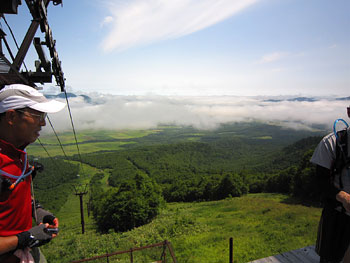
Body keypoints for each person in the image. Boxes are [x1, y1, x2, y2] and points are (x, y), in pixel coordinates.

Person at [0, 84, 65, 263]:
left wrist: (38, 212)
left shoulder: (18, 153)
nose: (43, 123)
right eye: (38, 116)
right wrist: (25, 238)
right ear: (11, 116)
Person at [310, 105, 350, 263]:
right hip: (338, 217)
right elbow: (320, 181)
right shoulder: (332, 143)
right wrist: (343, 197)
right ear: (349, 111)